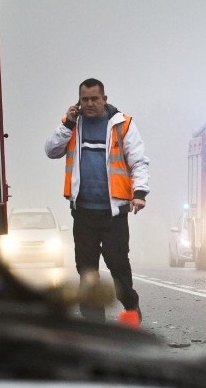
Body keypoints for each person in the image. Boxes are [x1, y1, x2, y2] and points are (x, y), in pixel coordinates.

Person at [44, 78, 150, 325]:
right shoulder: (73, 125)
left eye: (94, 98)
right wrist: (68, 124)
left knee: (118, 266)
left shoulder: (122, 124)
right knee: (87, 271)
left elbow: (138, 161)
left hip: (114, 212)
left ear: (105, 99)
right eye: (85, 99)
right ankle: (93, 323)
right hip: (83, 213)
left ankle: (131, 310)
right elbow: (51, 151)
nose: (89, 104)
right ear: (79, 101)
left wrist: (140, 194)